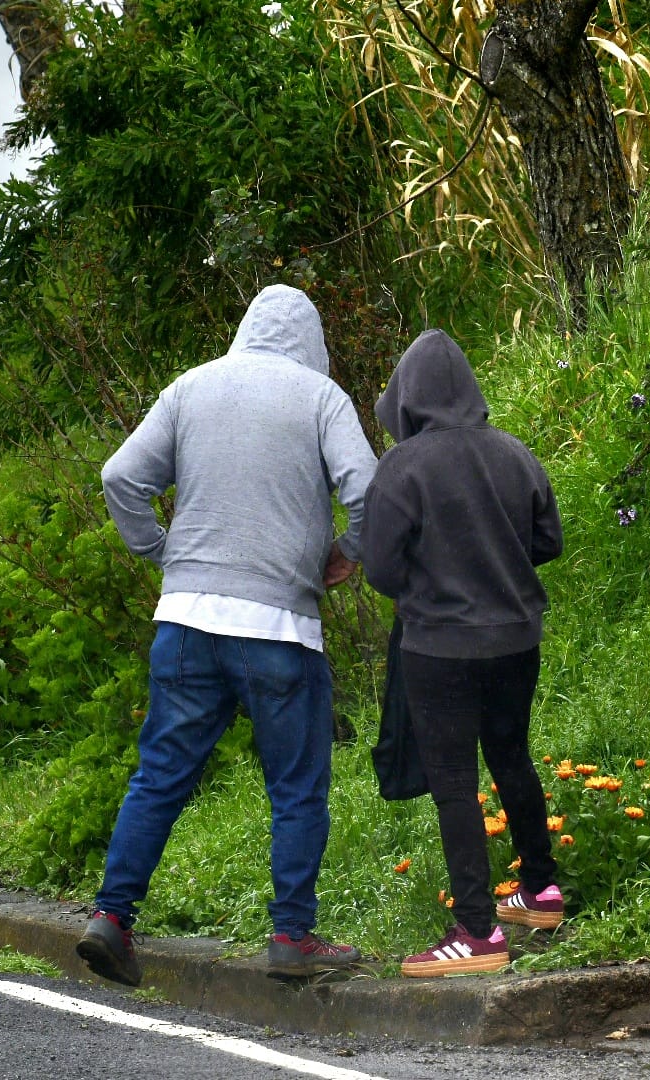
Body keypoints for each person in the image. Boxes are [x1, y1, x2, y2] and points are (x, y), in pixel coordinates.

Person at [76, 284, 378, 987]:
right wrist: (348, 551)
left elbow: (120, 475)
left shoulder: (191, 388)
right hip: (278, 629)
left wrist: (160, 550)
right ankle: (292, 938)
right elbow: (366, 488)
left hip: (185, 623)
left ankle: (112, 919)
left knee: (160, 775)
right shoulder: (319, 397)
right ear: (313, 343)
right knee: (297, 787)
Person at [357, 328, 565, 978]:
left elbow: (380, 568)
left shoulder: (403, 467)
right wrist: (496, 567)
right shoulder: (515, 453)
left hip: (439, 649)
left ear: (408, 398)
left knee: (454, 783)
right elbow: (548, 540)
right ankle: (542, 891)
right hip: (515, 638)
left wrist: (432, 584)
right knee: (512, 758)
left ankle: (477, 932)